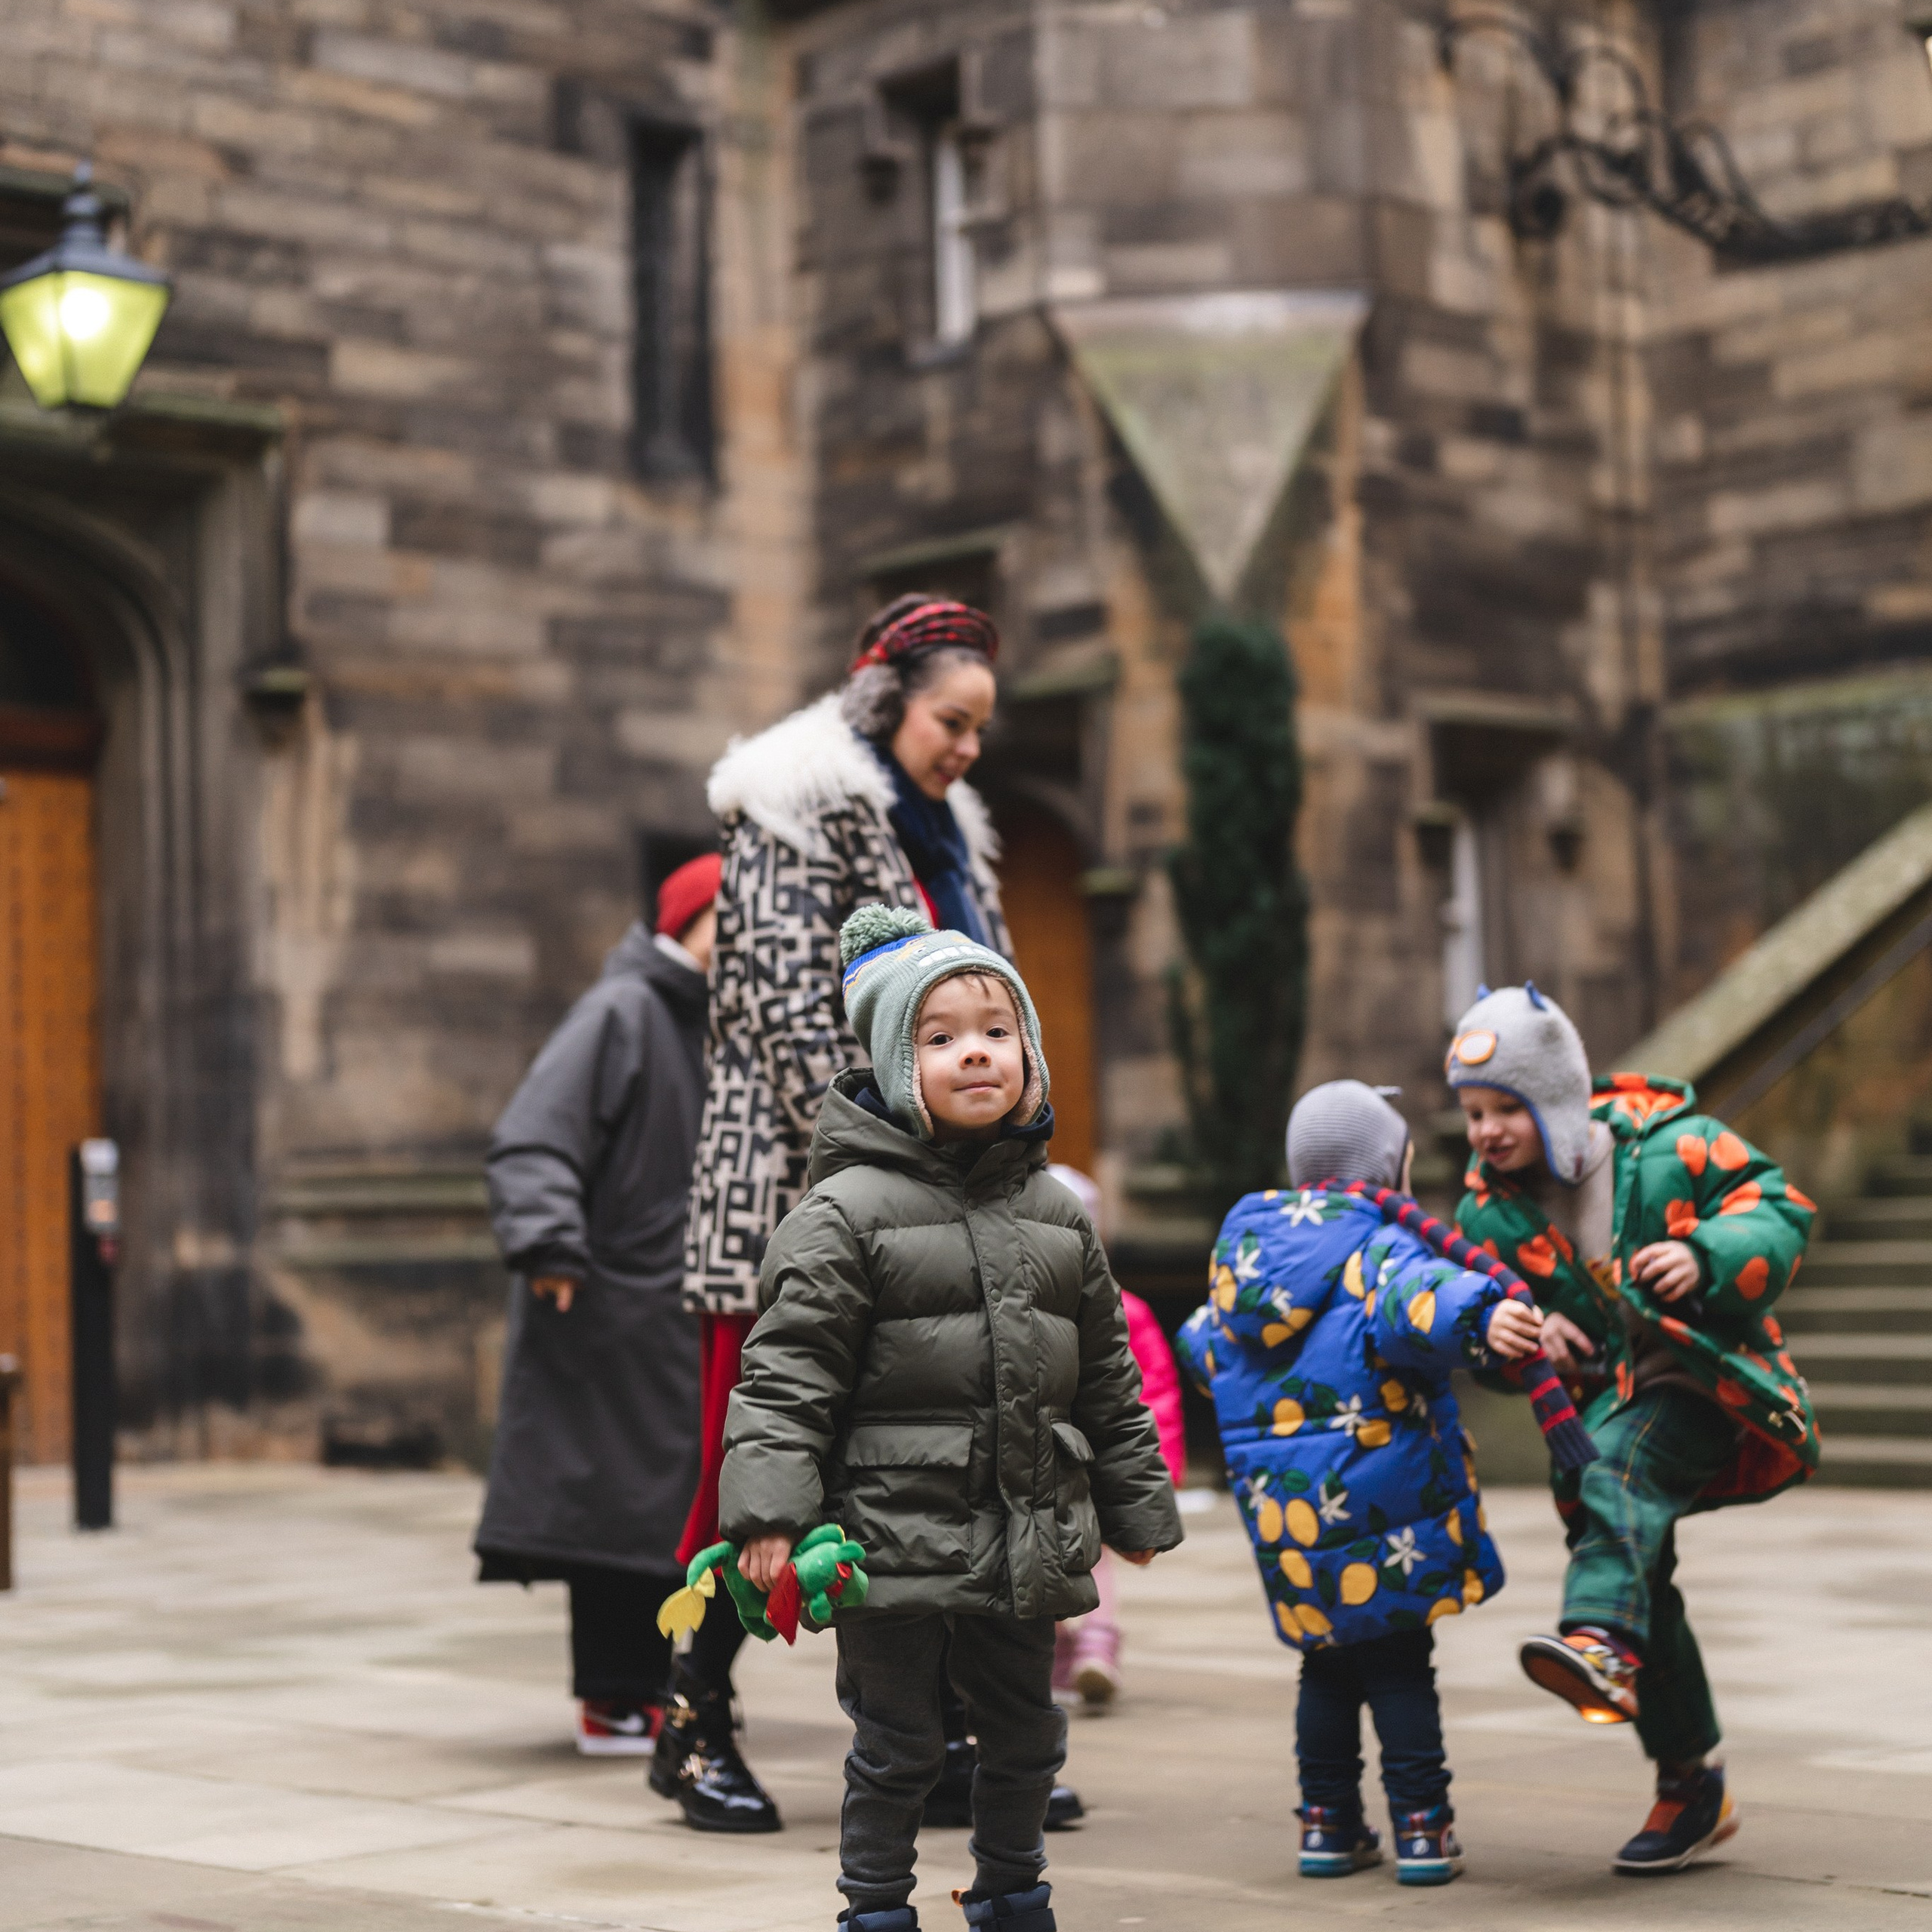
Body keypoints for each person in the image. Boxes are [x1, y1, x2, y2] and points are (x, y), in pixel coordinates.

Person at [669, 596, 1084, 1833]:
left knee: (932, 1457)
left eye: (978, 730)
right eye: (952, 721)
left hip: (947, 1200)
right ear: (886, 701)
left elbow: (988, 1005)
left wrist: (1010, 1139)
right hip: (794, 1201)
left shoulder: (949, 833)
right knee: (743, 1463)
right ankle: (691, 1721)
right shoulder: (788, 806)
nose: (967, 749)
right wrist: (904, 1145)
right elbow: (777, 1006)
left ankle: (954, 1736)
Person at [720, 907, 1183, 1932]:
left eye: (996, 1029)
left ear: (1029, 1052)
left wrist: (1137, 1509)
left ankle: (1013, 1895)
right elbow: (785, 1377)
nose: (975, 1050)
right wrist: (769, 1515)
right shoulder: (843, 1215)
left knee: (1026, 1736)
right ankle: (877, 1907)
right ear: (896, 1067)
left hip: (1021, 1529)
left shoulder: (1057, 1214)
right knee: (899, 1746)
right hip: (891, 1538)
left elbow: (1107, 1373)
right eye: (939, 1037)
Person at [1447, 983, 1819, 1875]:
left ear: (1557, 1097)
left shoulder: (1668, 1146)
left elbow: (1779, 1206)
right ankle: (1691, 1782)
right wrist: (1520, 1333)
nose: (1486, 1130)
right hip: (1600, 1401)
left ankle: (1599, 1645)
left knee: (1612, 1475)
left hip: (1706, 1382)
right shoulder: (1487, 1213)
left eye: (1507, 1106)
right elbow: (1485, 1319)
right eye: (1470, 1112)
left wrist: (1703, 1254)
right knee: (1627, 1552)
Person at [1177, 1079, 1545, 1887]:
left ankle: (1327, 1825)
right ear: (1388, 1169)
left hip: (1292, 1526)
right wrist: (1483, 1316)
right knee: (1400, 1665)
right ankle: (1421, 1828)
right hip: (1387, 1512)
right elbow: (1423, 1300)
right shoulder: (1378, 1246)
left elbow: (1204, 1346)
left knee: (1325, 1665)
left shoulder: (1246, 1266)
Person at [475, 856, 721, 1756]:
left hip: (669, 1304)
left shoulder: (704, 1016)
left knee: (665, 1508)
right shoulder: (625, 1009)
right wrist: (546, 1242)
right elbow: (534, 1136)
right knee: (618, 1509)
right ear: (692, 921)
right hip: (611, 1299)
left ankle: (662, 1689)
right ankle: (618, 1698)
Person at [1044, 1163, 1186, 1710]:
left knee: (1095, 1553)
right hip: (1047, 1464)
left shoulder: (1123, 1309)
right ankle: (1069, 1651)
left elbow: (1153, 1395)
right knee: (1053, 1560)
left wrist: (1157, 1465)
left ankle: (1094, 1647)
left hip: (1095, 1464)